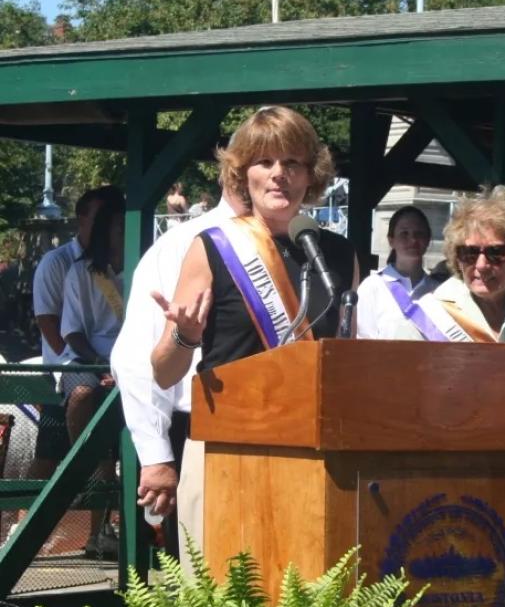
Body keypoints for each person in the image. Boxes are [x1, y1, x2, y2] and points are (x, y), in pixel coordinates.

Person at [150, 106, 357, 554]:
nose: (279, 174)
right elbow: (164, 373)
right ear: (244, 174)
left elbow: (350, 362)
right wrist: (185, 335)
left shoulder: (339, 258)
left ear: (310, 174)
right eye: (265, 162)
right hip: (228, 448)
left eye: (292, 162)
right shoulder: (211, 248)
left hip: (313, 454)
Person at [110, 184, 245, 557]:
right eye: (261, 160)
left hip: (285, 436)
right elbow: (137, 356)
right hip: (199, 432)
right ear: (231, 171)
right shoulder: (182, 243)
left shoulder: (301, 245)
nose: (277, 173)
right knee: (205, 573)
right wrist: (156, 455)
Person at [384, 186, 505, 345]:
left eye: (496, 253)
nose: (481, 265)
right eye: (470, 253)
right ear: (456, 257)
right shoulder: (425, 318)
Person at [29, 186, 115, 478]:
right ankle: (23, 521)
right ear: (81, 218)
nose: (105, 227)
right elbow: (49, 323)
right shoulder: (57, 262)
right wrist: (75, 368)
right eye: (99, 218)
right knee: (48, 457)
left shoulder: (120, 262)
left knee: (110, 456)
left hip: (105, 367)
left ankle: (104, 519)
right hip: (65, 370)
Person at [60, 187, 126, 557]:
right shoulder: (80, 274)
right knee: (84, 395)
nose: (121, 233)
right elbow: (71, 332)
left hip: (133, 365)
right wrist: (102, 367)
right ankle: (81, 467)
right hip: (86, 362)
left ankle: (117, 532)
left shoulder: (143, 268)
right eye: (115, 226)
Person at [357, 206, 437, 339]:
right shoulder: (372, 287)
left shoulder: (439, 289)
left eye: (419, 234)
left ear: (428, 240)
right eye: (404, 233)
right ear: (391, 240)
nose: (413, 240)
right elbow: (363, 340)